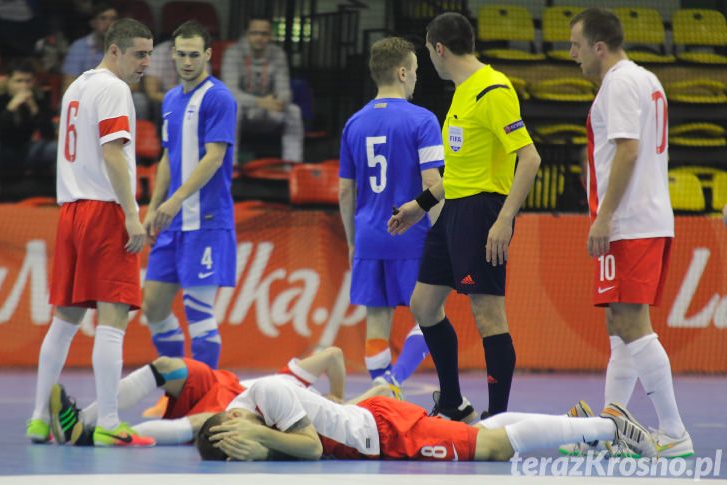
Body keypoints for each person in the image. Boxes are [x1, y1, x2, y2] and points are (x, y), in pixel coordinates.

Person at [387, 12, 541, 420]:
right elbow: (456, 172)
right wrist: (418, 206)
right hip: (452, 208)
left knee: (487, 313)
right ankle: (453, 402)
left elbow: (530, 158)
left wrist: (505, 219)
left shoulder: (493, 89)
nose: (428, 61)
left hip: (482, 211)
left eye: (427, 51)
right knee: (423, 305)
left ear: (439, 49)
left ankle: (499, 418)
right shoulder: (461, 90)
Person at [564, 7, 692, 458]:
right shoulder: (647, 79)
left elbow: (628, 152)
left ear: (600, 46)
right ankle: (610, 425)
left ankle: (673, 431)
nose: (572, 54)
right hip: (647, 217)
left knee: (632, 323)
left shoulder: (618, 83)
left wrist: (604, 218)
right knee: (618, 324)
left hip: (630, 221)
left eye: (577, 45)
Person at [24, 18, 154, 447]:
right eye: (138, 53)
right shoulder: (115, 88)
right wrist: (132, 214)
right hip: (104, 211)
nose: (146, 63)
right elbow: (113, 152)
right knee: (113, 318)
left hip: (71, 211)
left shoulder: (76, 86)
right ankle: (110, 423)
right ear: (114, 51)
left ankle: (39, 418)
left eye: (150, 54)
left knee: (65, 321)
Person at [197, 375, 656, 462]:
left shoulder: (267, 394)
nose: (248, 455)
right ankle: (574, 424)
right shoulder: (246, 418)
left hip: (385, 431)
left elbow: (314, 447)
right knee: (477, 433)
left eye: (240, 449)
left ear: (231, 426)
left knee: (492, 450)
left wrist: (263, 443)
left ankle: (608, 426)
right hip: (371, 424)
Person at [339, 37, 443, 396]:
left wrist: (354, 240)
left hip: (369, 236)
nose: (415, 78)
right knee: (428, 316)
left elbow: (344, 191)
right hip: (412, 236)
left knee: (376, 321)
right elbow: (433, 183)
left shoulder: (353, 123)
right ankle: (393, 385)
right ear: (402, 72)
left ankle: (381, 395)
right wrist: (443, 233)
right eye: (414, 71)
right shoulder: (423, 120)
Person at [142, 20, 237, 389]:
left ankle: (205, 393)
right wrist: (154, 206)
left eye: (193, 55)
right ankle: (178, 388)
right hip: (174, 221)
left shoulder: (218, 97)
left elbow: (214, 157)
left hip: (206, 219)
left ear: (208, 55)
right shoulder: (169, 99)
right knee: (153, 306)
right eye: (180, 54)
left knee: (198, 311)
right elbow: (168, 157)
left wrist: (177, 199)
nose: (186, 61)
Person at [47, 346, 392, 446]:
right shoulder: (294, 383)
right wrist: (336, 393)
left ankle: (96, 435)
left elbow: (355, 414)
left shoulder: (311, 416)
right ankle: (85, 420)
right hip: (219, 383)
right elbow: (333, 354)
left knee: (208, 422)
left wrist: (345, 403)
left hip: (233, 409)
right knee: (166, 365)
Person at [221, 15, 304, 162]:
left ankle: (292, 163)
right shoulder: (233, 53)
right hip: (244, 111)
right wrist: (259, 102)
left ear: (270, 35)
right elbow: (230, 92)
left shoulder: (278, 54)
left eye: (264, 34)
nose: (259, 38)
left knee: (294, 111)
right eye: (254, 33)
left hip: (268, 110)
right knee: (232, 107)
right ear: (246, 34)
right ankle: (230, 164)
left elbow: (284, 89)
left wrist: (280, 101)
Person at [62, 2, 149, 119]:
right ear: (93, 23)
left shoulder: (128, 47)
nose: (108, 23)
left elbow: (134, 85)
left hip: (117, 95)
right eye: (103, 18)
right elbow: (69, 85)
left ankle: (134, 136)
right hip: (86, 97)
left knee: (139, 100)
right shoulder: (78, 47)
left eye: (113, 19)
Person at [0, 59, 57, 174]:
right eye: (18, 81)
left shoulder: (38, 99)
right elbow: (3, 134)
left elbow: (48, 134)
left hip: (27, 149)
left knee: (55, 149)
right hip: (3, 150)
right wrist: (11, 108)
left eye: (28, 81)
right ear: (8, 81)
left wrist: (34, 109)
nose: (24, 86)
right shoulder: (1, 98)